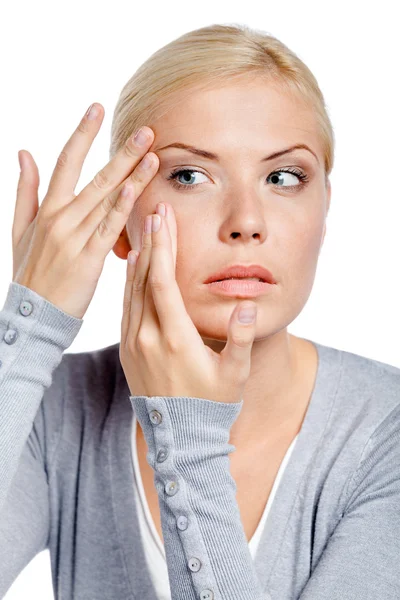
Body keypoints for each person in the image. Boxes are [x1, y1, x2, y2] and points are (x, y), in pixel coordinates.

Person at [1, 22, 400, 600]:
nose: (246, 220)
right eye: (190, 176)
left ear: (323, 210)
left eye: (283, 177)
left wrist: (186, 439)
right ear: (122, 214)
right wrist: (30, 328)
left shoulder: (386, 432)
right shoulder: (55, 411)